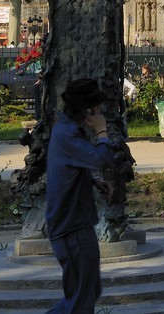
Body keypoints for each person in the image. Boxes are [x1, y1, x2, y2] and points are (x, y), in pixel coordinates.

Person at [45, 78, 121, 314]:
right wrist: (101, 130)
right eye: (97, 107)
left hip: (73, 226)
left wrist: (93, 181)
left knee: (85, 293)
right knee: (80, 301)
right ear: (88, 109)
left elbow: (66, 169)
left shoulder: (65, 130)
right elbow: (102, 159)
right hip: (72, 230)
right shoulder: (68, 134)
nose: (100, 111)